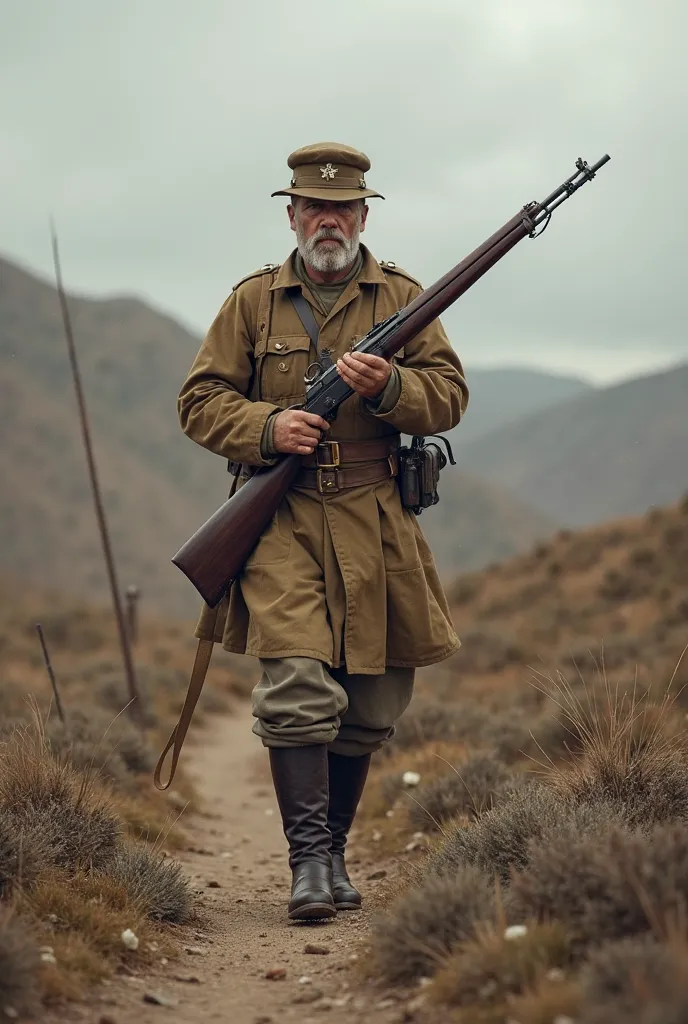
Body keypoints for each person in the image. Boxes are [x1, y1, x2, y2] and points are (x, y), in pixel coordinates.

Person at [178, 142, 469, 921]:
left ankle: (334, 853)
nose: (329, 221)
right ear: (293, 215)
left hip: (377, 518)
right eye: (315, 207)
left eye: (343, 209)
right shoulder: (252, 303)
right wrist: (270, 427)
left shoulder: (405, 299)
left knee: (372, 703)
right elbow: (200, 400)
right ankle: (308, 865)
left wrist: (393, 387)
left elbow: (448, 398)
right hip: (280, 516)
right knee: (299, 687)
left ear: (363, 214)